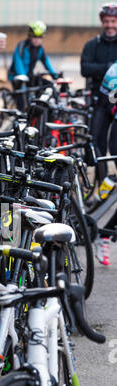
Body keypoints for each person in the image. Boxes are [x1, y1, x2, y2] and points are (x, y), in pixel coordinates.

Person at [81, 3, 117, 182]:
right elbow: (85, 69)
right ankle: (102, 184)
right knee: (97, 144)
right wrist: (109, 66)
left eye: (113, 21)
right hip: (99, 101)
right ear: (102, 22)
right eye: (106, 21)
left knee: (116, 146)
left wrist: (99, 69)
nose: (110, 25)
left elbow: (91, 68)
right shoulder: (92, 45)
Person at [92, 59, 117, 266]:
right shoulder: (114, 70)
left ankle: (106, 233)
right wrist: (94, 143)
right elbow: (101, 108)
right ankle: (104, 235)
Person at [8, 20, 57, 86]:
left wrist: (54, 75)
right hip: (17, 77)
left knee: (48, 85)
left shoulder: (40, 49)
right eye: (34, 36)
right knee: (23, 94)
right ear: (30, 36)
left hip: (30, 76)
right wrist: (22, 75)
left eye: (39, 37)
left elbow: (46, 62)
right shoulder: (22, 46)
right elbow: (18, 62)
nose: (37, 39)